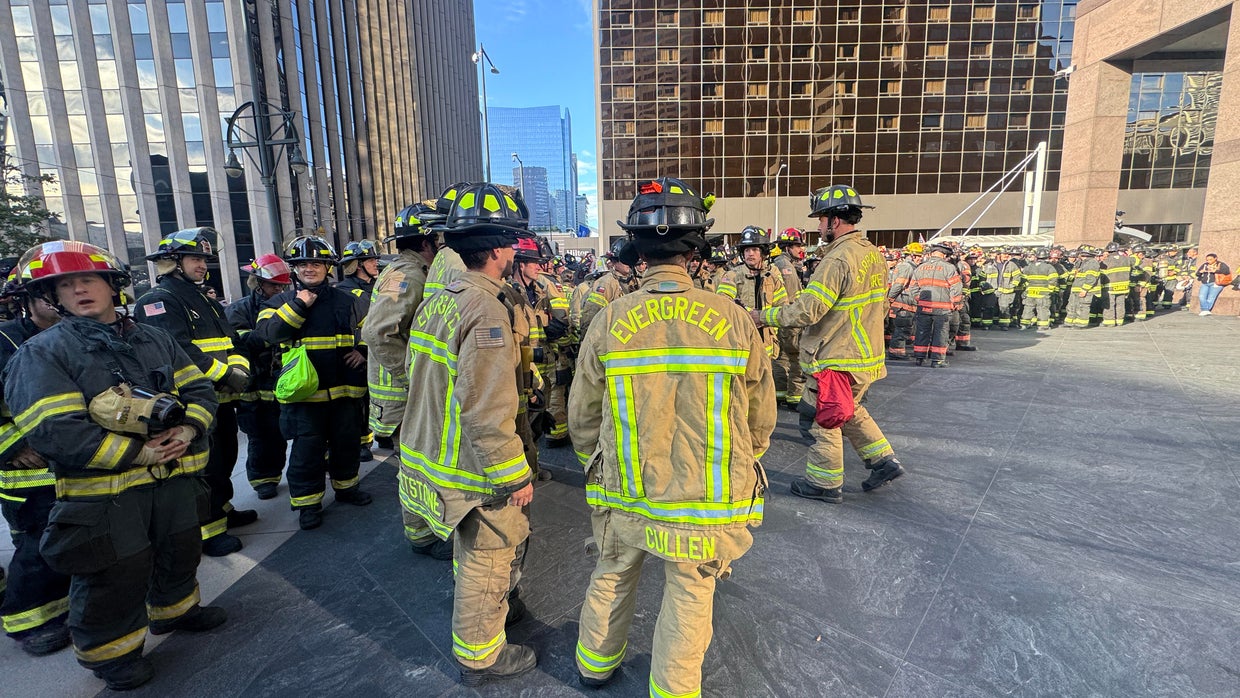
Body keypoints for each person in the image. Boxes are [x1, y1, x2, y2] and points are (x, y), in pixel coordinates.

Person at [571, 177, 775, 696]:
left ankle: (594, 666)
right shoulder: (733, 319)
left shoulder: (610, 320)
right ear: (695, 250)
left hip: (627, 489)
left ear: (637, 250)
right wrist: (745, 459)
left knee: (613, 572)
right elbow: (760, 413)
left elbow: (582, 414)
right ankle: (674, 688)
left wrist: (597, 461)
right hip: (705, 494)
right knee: (691, 591)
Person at [3, 241, 224, 690]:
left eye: (88, 280)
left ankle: (176, 611)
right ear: (53, 297)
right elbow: (53, 430)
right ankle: (112, 655)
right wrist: (138, 453)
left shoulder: (154, 338)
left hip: (172, 479)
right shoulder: (43, 353)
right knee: (114, 572)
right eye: (65, 286)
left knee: (180, 548)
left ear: (111, 285)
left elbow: (200, 390)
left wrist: (188, 430)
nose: (79, 290)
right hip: (106, 495)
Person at [398, 183, 538, 686]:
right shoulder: (485, 310)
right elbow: (486, 405)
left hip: (434, 451)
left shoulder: (440, 300)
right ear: (498, 250)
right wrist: (513, 475)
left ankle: (496, 613)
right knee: (489, 552)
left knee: (472, 552)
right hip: (472, 464)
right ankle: (481, 658)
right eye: (512, 243)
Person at [753, 184, 905, 502]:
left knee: (821, 417)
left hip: (837, 357)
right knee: (850, 409)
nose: (819, 227)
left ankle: (824, 483)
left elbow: (808, 310)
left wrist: (763, 316)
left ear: (835, 221)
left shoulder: (837, 259)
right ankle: (883, 461)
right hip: (865, 355)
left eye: (821, 220)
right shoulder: (872, 254)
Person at [133, 227, 255, 557]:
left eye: (203, 259)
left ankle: (222, 509)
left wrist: (239, 370)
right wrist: (226, 374)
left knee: (224, 458)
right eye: (194, 259)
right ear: (172, 262)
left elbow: (232, 342)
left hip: (220, 399)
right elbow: (178, 351)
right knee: (201, 467)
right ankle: (206, 530)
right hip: (188, 404)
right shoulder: (158, 301)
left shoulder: (204, 300)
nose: (202, 265)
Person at [254, 235, 373, 531]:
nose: (309, 268)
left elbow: (371, 329)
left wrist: (362, 350)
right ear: (294, 268)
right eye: (303, 263)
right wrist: (298, 305)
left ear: (328, 267)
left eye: (316, 263)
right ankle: (307, 505)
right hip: (304, 395)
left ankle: (347, 488)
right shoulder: (279, 302)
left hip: (344, 390)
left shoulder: (347, 300)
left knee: (346, 444)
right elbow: (268, 335)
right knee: (307, 452)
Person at [360, 202, 454, 558]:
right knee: (414, 467)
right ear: (427, 242)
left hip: (405, 394)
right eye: (441, 239)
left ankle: (424, 531)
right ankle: (423, 536)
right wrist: (413, 377)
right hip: (403, 396)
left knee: (416, 463)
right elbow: (378, 332)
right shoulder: (409, 275)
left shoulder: (413, 271)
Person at [0, 270, 70, 656]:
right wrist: (11, 446)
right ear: (26, 300)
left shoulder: (76, 335)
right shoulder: (5, 339)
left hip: (72, 457)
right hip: (29, 467)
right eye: (49, 293)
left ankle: (66, 604)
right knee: (40, 541)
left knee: (68, 536)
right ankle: (30, 619)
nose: (59, 300)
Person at [226, 254, 292, 500]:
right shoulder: (239, 310)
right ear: (257, 283)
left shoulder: (288, 303)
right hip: (254, 384)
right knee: (261, 434)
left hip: (285, 379)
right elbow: (243, 342)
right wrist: (271, 332)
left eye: (282, 287)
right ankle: (264, 479)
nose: (279, 291)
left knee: (293, 428)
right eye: (274, 285)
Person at [715, 225, 788, 367]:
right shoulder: (732, 276)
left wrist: (763, 317)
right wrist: (747, 314)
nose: (750, 254)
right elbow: (723, 304)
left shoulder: (772, 278)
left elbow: (783, 309)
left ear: (763, 252)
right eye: (747, 250)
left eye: (755, 249)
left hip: (768, 349)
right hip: (741, 346)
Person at [336, 239, 382, 462]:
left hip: (377, 353)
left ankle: (382, 433)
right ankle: (363, 443)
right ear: (358, 264)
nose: (375, 263)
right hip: (356, 357)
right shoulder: (343, 292)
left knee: (378, 398)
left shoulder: (378, 286)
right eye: (370, 260)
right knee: (359, 403)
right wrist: (360, 351)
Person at [910, 242, 964, 367]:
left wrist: (920, 299)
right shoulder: (949, 268)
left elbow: (913, 287)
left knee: (922, 332)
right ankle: (937, 360)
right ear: (944, 255)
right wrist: (955, 302)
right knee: (941, 333)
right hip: (942, 309)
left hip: (924, 307)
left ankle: (919, 358)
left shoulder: (920, 267)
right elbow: (956, 287)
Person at [885, 243, 922, 360]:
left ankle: (897, 351)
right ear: (911, 255)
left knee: (904, 327)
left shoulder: (908, 266)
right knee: (902, 328)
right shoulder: (907, 267)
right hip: (903, 303)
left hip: (906, 302)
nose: (920, 258)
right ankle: (896, 352)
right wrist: (889, 299)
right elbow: (899, 285)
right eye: (918, 256)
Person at [1019, 248, 1060, 330]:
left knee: (1028, 308)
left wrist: (1027, 287)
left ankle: (1024, 324)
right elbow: (1053, 279)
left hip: (1030, 292)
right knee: (1042, 309)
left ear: (1036, 257)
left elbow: (1023, 279)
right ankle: (1042, 325)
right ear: (1047, 257)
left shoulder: (1029, 266)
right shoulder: (1049, 267)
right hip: (1043, 293)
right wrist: (1050, 290)